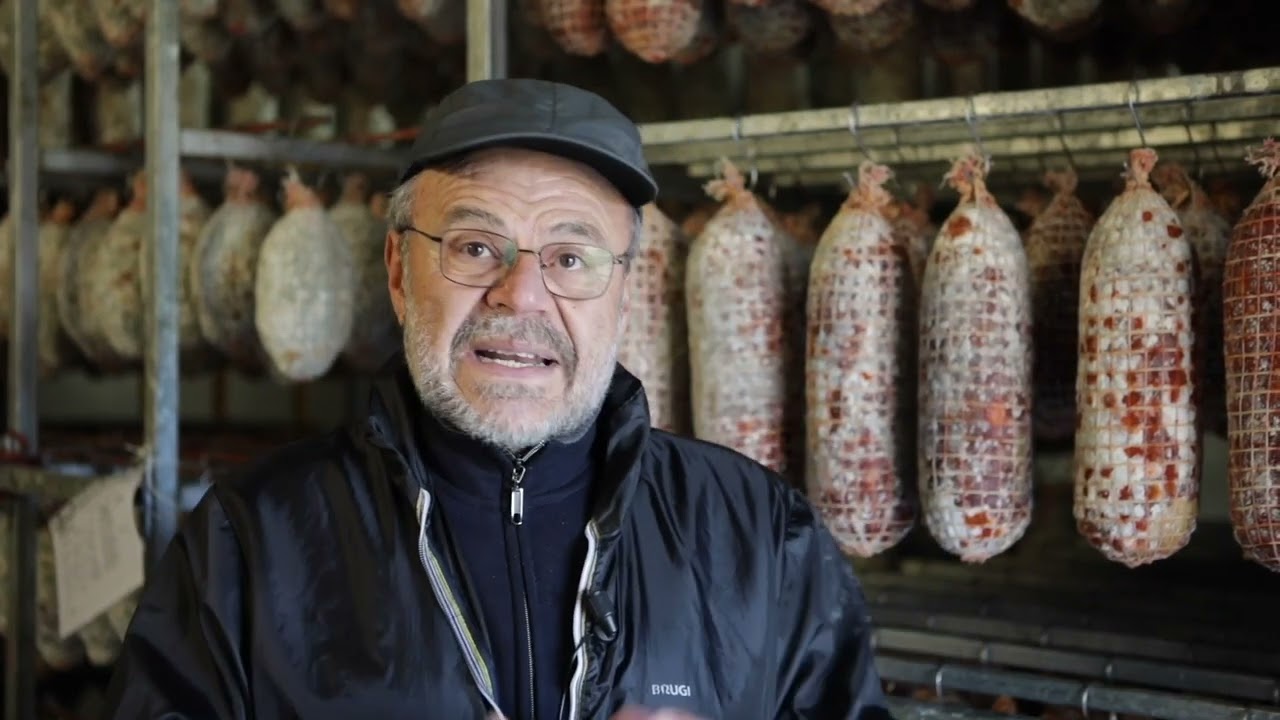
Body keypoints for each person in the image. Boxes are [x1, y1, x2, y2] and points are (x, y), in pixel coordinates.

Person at [101, 78, 892, 720]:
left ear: (626, 293)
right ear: (399, 272)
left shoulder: (761, 537)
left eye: (571, 258)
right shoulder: (249, 541)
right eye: (476, 247)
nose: (522, 294)